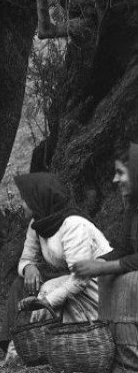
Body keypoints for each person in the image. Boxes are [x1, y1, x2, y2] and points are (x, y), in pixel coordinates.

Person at [0, 172, 112, 363]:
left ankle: (36, 348)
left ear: (38, 200)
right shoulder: (38, 224)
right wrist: (29, 267)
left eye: (25, 200)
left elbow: (80, 279)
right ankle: (18, 345)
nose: (21, 205)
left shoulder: (73, 225)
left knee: (48, 289)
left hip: (98, 284)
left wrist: (46, 301)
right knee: (21, 283)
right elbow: (25, 258)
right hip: (71, 277)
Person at [72, 143, 138, 372]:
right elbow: (124, 248)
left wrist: (103, 267)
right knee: (108, 277)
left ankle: (131, 363)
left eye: (120, 172)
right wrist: (99, 263)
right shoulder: (133, 207)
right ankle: (116, 356)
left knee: (127, 281)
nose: (115, 179)